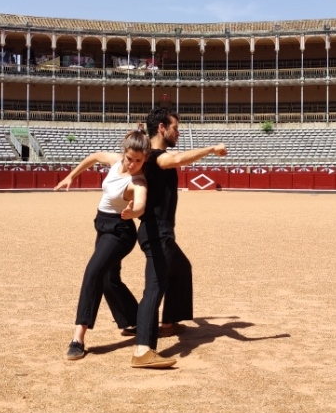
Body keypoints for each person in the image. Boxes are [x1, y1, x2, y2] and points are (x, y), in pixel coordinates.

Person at [131, 107, 227, 369]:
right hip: (157, 231)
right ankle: (142, 350)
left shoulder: (147, 155)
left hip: (158, 230)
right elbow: (174, 160)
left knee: (181, 268)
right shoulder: (156, 157)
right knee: (153, 288)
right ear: (162, 128)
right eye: (175, 127)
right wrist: (210, 149)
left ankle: (169, 322)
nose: (179, 131)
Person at [54, 128, 151, 361]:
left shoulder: (138, 180)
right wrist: (72, 175)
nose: (133, 164)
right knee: (109, 279)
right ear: (124, 153)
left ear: (145, 159)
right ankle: (135, 319)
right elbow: (95, 156)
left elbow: (141, 203)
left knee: (93, 273)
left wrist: (133, 212)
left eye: (139, 160)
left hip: (120, 232)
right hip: (102, 225)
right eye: (130, 158)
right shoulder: (116, 160)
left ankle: (78, 338)